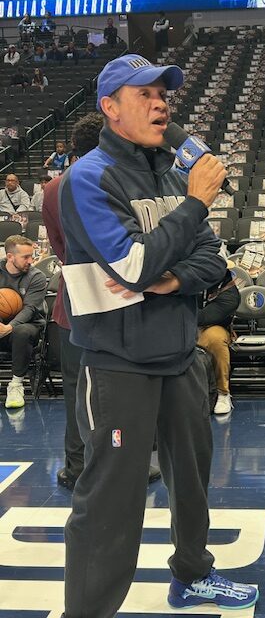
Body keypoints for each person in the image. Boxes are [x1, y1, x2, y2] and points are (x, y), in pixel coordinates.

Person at [57, 54, 259, 617]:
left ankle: (193, 575)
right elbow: (131, 266)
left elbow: (211, 259)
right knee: (110, 501)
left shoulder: (170, 171)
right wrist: (194, 205)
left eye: (163, 92)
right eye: (143, 93)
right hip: (118, 361)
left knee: (192, 478)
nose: (160, 102)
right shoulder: (88, 179)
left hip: (179, 351)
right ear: (110, 109)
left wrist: (168, 280)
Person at [42, 112, 161, 490]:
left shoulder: (53, 188)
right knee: (124, 393)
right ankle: (130, 467)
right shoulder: (120, 181)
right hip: (124, 300)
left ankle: (76, 467)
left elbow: (61, 250)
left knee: (78, 394)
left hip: (74, 301)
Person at [0, 235, 47, 409]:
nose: (31, 260)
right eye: (25, 257)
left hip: (29, 326)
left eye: (31, 255)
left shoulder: (37, 277)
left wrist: (9, 327)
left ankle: (16, 385)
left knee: (22, 331)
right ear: (10, 257)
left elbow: (30, 309)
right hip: (2, 325)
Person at [197, 262, 240, 415]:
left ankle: (223, 393)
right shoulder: (187, 280)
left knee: (215, 339)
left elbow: (204, 317)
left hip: (214, 326)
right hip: (184, 325)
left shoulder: (230, 292)